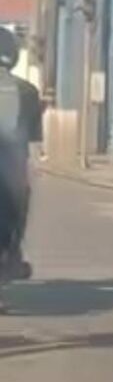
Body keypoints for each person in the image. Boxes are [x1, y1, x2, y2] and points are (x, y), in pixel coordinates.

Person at [0, 26, 43, 282]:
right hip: (13, 169)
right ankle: (13, 253)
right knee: (21, 201)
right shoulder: (27, 91)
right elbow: (34, 145)